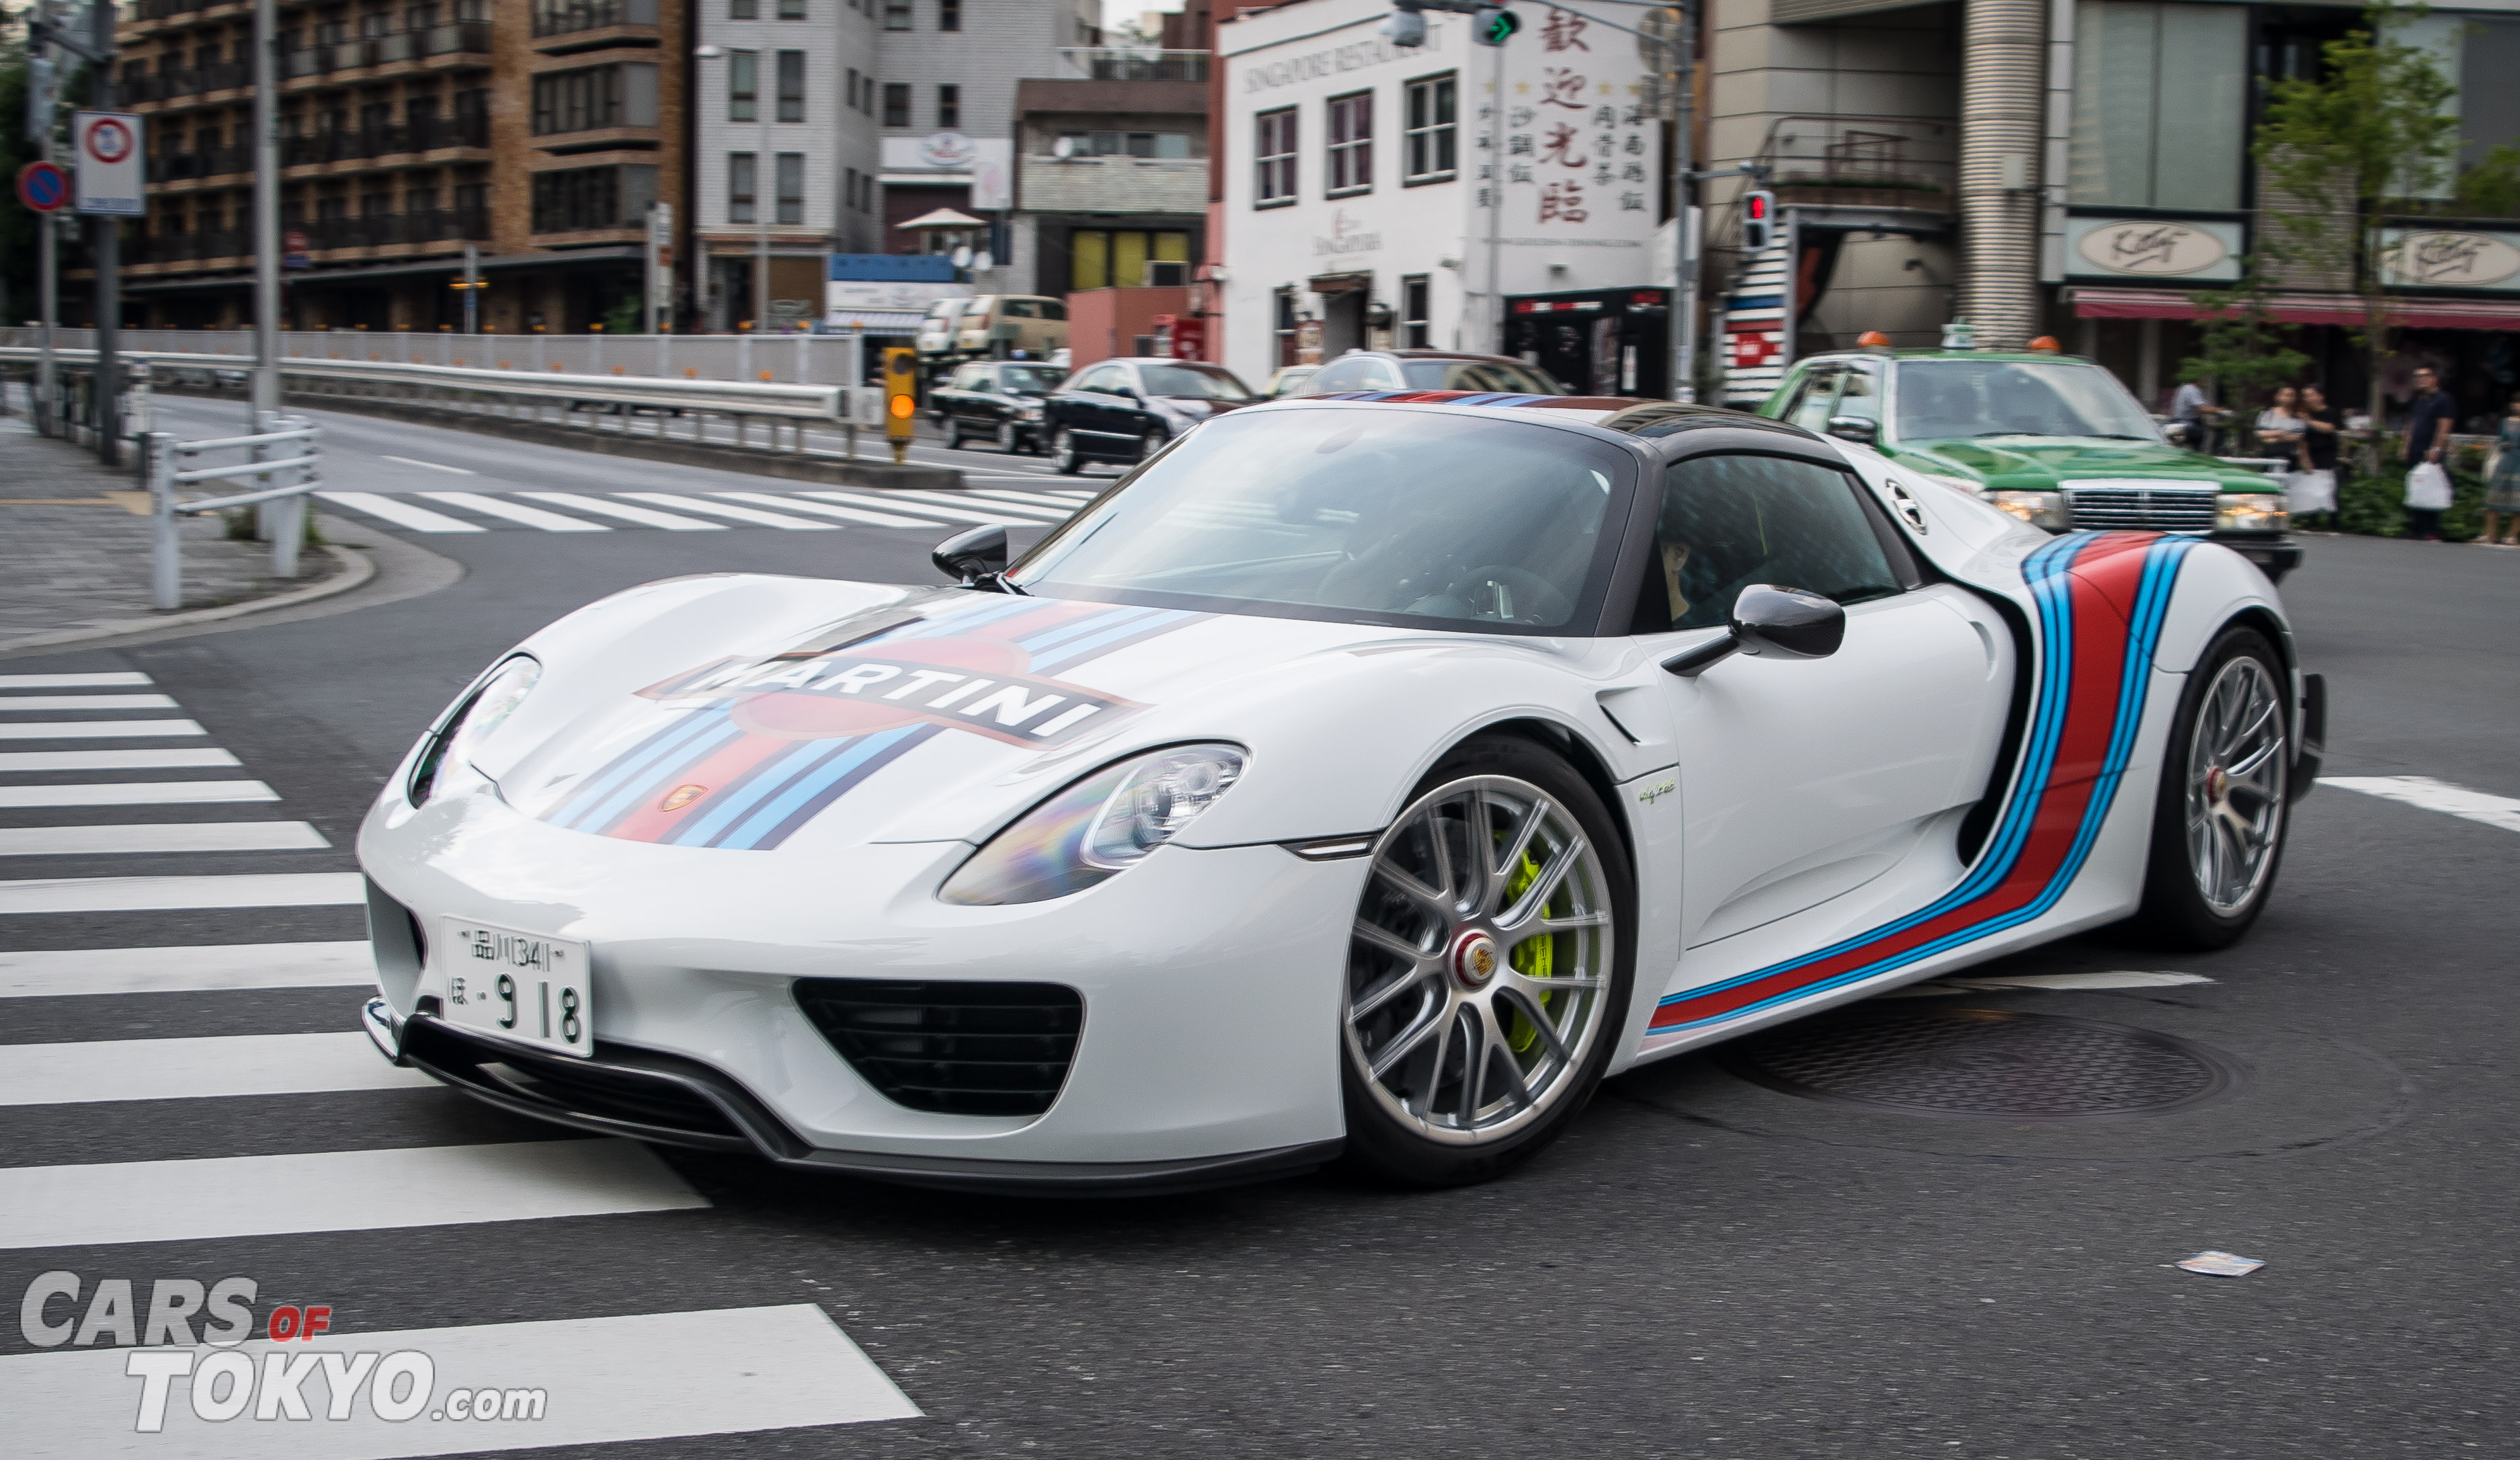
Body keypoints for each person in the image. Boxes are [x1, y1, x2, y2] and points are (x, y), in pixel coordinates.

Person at [2402, 366, 2458, 541]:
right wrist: (2405, 445)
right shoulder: (2419, 400)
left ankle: (2431, 530)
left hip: (2430, 452)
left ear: (2434, 378)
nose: (2420, 380)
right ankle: (2417, 528)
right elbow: (2413, 423)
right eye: (2417, 376)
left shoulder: (2443, 400)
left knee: (2431, 488)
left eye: (2424, 376)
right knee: (2417, 487)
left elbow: (2444, 426)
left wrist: (2436, 449)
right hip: (2416, 450)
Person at [2293, 384, 2343, 530]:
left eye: (2311, 395)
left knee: (2329, 486)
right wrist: (2304, 457)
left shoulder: (2331, 412)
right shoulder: (2303, 413)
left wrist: (2308, 421)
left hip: (2328, 453)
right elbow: (2301, 438)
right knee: (2311, 486)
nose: (2308, 399)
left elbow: (2330, 428)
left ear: (2321, 396)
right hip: (2310, 453)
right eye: (2305, 396)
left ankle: (2334, 521)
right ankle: (2313, 520)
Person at [2487, 392, 2520, 547]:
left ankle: (2513, 536)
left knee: (2518, 503)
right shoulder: (2505, 422)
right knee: (2493, 499)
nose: (2517, 406)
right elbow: (2500, 440)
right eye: (2515, 402)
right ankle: (2491, 535)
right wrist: (2503, 445)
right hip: (2505, 461)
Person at [2170, 378, 2223, 454]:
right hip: (2186, 423)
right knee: (2201, 433)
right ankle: (2201, 454)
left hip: (2177, 422)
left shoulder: (2183, 388)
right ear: (2198, 380)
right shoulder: (2192, 390)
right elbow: (2201, 409)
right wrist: (2219, 410)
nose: (2205, 384)